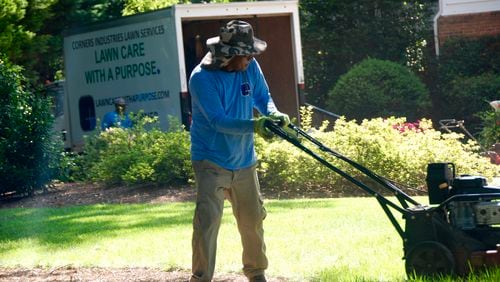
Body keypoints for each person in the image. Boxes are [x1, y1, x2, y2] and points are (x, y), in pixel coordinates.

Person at [188, 20, 290, 282]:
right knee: (207, 224)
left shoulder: (249, 66)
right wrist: (255, 126)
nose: (250, 60)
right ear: (228, 56)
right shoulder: (202, 78)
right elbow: (217, 121)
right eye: (246, 56)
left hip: (244, 161)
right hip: (211, 160)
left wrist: (273, 113)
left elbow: (262, 96)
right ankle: (201, 278)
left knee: (253, 220)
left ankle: (256, 274)